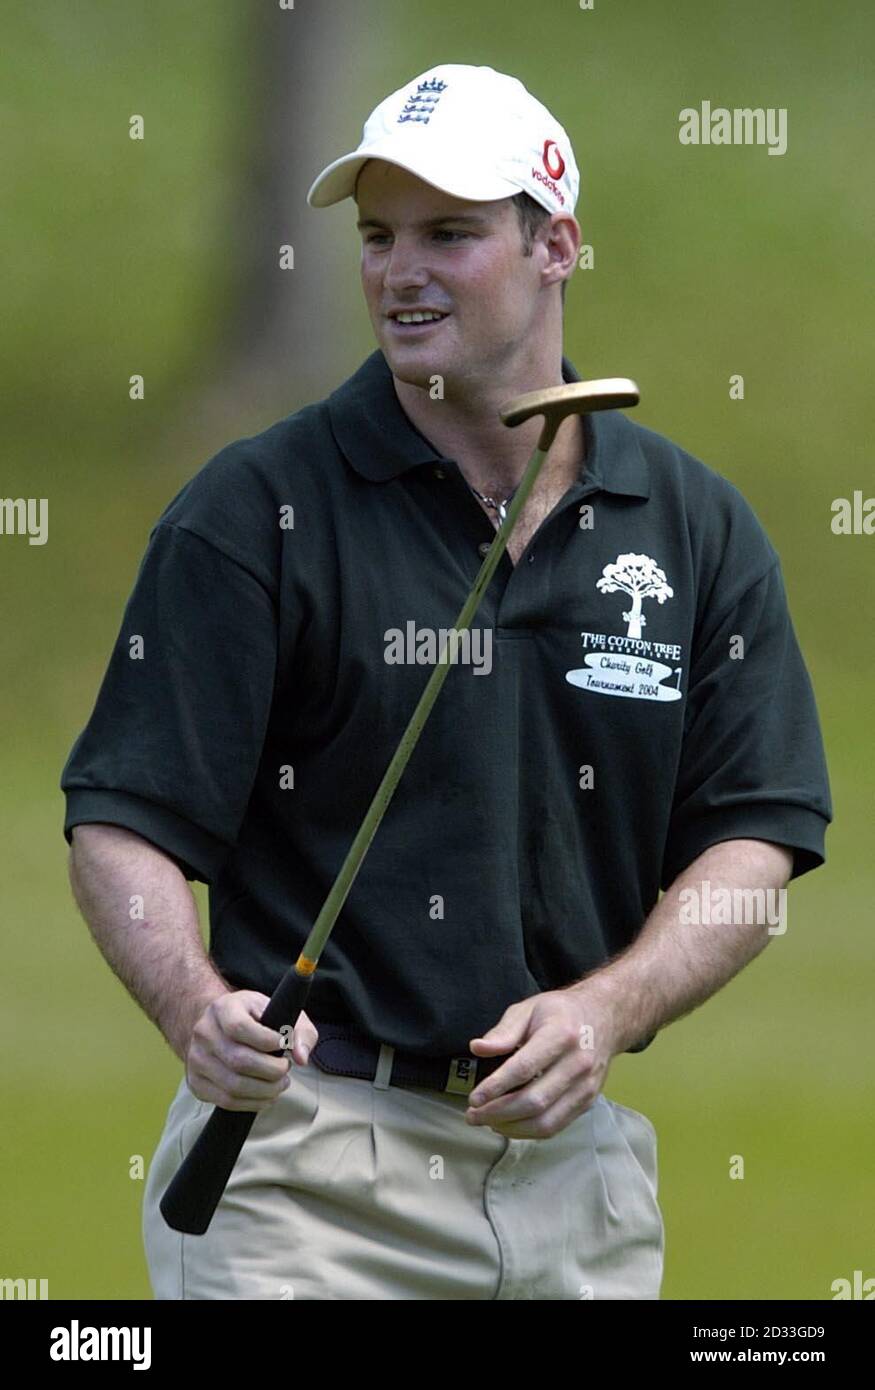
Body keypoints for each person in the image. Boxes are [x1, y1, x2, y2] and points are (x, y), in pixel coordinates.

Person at [61, 63, 832, 1301]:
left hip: (573, 1181)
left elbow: (755, 829)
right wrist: (191, 1005)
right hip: (301, 1182)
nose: (398, 271)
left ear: (555, 245)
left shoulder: (694, 525)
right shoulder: (252, 511)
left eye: (449, 234)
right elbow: (121, 817)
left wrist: (606, 1006)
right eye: (377, 237)